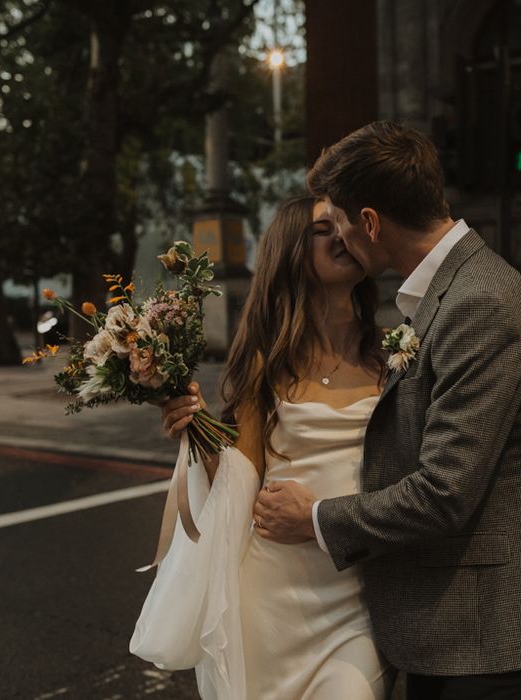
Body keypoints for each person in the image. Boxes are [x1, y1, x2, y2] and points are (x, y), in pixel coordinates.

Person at [252, 121, 521, 700]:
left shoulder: (477, 301)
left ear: (370, 223)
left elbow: (443, 494)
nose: (340, 243)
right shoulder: (447, 291)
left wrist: (314, 518)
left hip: (490, 641)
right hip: (458, 630)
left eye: (337, 225)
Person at [132, 195, 395, 700]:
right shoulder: (265, 360)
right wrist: (197, 426)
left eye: (344, 222)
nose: (343, 233)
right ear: (292, 250)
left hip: (357, 599)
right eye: (324, 228)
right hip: (271, 602)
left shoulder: (393, 353)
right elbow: (242, 474)